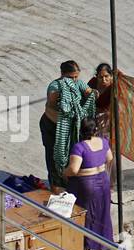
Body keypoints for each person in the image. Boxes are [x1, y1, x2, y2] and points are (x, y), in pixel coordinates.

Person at [63, 115, 115, 250]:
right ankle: (98, 248)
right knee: (101, 215)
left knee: (86, 216)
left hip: (87, 185)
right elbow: (109, 158)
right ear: (95, 129)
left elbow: (73, 169)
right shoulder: (104, 142)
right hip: (103, 183)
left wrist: (63, 172)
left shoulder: (79, 147)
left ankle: (86, 249)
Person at [40, 61, 95, 193]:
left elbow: (89, 92)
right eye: (71, 77)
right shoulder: (55, 86)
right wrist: (64, 94)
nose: (74, 80)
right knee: (53, 155)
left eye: (76, 76)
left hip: (70, 129)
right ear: (63, 75)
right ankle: (55, 185)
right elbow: (52, 101)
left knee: (72, 154)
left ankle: (68, 182)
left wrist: (92, 94)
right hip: (52, 126)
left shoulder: (79, 83)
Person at [87, 63, 114, 140]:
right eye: (100, 77)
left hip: (108, 117)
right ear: (96, 76)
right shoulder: (92, 83)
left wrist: (106, 114)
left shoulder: (114, 87)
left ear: (111, 76)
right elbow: (85, 99)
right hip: (93, 114)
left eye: (106, 76)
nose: (104, 80)